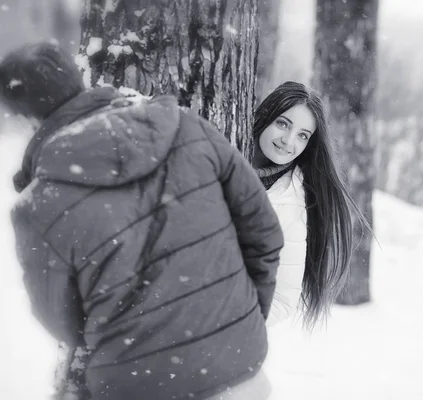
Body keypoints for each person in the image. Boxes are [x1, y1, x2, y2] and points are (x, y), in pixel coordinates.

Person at [1, 42, 283, 400]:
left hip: (137, 386)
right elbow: (264, 234)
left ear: (25, 118)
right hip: (241, 377)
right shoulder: (188, 129)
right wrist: (241, 319)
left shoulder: (39, 206)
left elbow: (61, 319)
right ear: (77, 80)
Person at [252, 81, 366, 329]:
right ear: (265, 116)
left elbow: (282, 300)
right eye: (283, 123)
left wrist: (223, 319)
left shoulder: (289, 205)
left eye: (302, 135)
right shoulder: (223, 155)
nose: (288, 141)